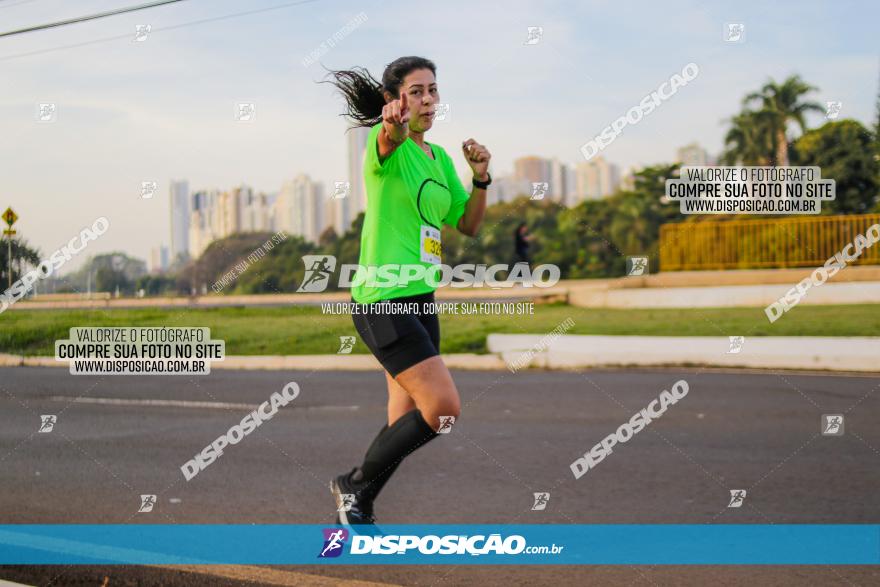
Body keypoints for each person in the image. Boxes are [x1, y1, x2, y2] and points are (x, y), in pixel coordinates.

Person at [324, 56, 492, 525]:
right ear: (395, 101)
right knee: (443, 410)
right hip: (383, 299)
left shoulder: (438, 159)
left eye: (432, 90)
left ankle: (360, 503)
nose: (427, 100)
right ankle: (352, 486)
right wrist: (392, 128)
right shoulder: (387, 151)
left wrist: (480, 177)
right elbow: (389, 138)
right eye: (415, 91)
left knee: (404, 417)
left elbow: (469, 225)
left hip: (420, 299)